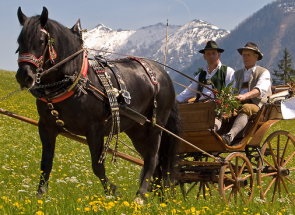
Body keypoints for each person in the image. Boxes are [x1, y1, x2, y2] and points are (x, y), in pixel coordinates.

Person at [176, 40, 235, 130]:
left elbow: (230, 94)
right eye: (208, 54)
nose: (211, 56)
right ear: (204, 57)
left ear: (219, 55)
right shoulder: (201, 75)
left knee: (211, 126)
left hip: (217, 110)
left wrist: (217, 102)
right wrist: (173, 101)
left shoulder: (228, 72)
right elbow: (188, 92)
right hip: (199, 108)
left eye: (213, 53)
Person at [222, 42, 272, 145]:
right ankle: (217, 136)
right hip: (238, 103)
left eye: (248, 55)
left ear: (256, 56)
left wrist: (244, 96)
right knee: (221, 110)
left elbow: (259, 90)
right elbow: (231, 89)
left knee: (246, 107)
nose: (245, 57)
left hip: (258, 106)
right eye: (243, 55)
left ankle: (230, 136)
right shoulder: (237, 74)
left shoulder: (263, 72)